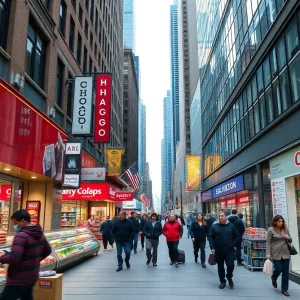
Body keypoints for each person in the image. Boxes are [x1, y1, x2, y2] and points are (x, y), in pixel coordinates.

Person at [0, 209, 51, 300]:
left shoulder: (21, 235)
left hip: (19, 278)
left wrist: (2, 257)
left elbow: (14, 258)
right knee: (27, 296)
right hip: (32, 275)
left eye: (15, 223)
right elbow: (47, 250)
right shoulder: (39, 233)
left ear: (22, 221)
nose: (14, 226)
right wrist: (33, 260)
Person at [209, 211, 239, 289]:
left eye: (222, 216)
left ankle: (229, 277)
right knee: (220, 266)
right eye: (219, 216)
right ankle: (222, 281)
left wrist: (233, 244)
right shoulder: (214, 226)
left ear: (226, 217)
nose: (220, 217)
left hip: (230, 250)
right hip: (219, 250)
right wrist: (212, 247)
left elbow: (237, 236)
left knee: (230, 264)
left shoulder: (231, 226)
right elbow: (211, 236)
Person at [266, 215, 292, 297]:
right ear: (275, 222)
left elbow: (291, 240)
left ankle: (284, 289)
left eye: (282, 221)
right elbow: (268, 242)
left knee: (285, 272)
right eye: (279, 221)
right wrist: (268, 253)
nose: (281, 223)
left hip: (285, 253)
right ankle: (274, 277)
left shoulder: (285, 229)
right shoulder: (271, 230)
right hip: (275, 253)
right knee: (278, 269)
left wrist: (288, 237)